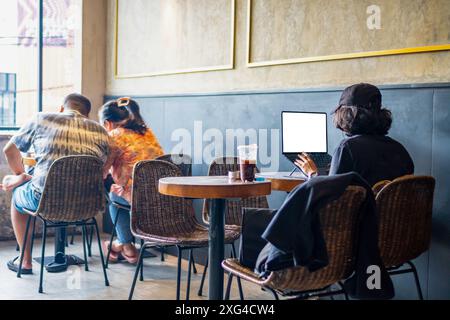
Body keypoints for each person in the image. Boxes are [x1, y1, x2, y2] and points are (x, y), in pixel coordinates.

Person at [2, 93, 110, 274]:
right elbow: (99, 166)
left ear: (61, 108)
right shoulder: (100, 131)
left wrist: (20, 175)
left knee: (18, 194)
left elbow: (9, 150)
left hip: (45, 202)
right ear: (87, 115)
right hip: (89, 207)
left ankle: (25, 261)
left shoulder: (41, 119)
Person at [295, 83, 414, 186]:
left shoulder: (347, 148)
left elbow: (330, 198)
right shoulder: (399, 149)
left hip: (355, 213)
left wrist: (312, 174)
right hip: (390, 213)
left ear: (346, 115)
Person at [100, 97, 164, 264]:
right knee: (121, 191)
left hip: (136, 196)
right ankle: (119, 245)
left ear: (107, 123)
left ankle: (127, 246)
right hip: (161, 195)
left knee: (114, 197)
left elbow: (102, 171)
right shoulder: (146, 132)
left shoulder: (114, 135)